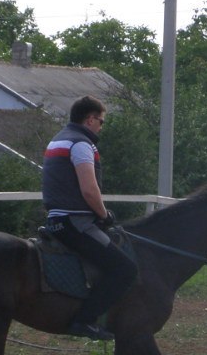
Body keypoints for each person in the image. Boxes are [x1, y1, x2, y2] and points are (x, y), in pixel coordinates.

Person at [41, 95, 138, 340]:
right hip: (75, 222)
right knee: (125, 269)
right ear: (91, 119)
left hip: (55, 219)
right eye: (101, 122)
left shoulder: (57, 140)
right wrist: (104, 215)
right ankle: (84, 320)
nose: (101, 127)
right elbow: (89, 190)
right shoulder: (81, 145)